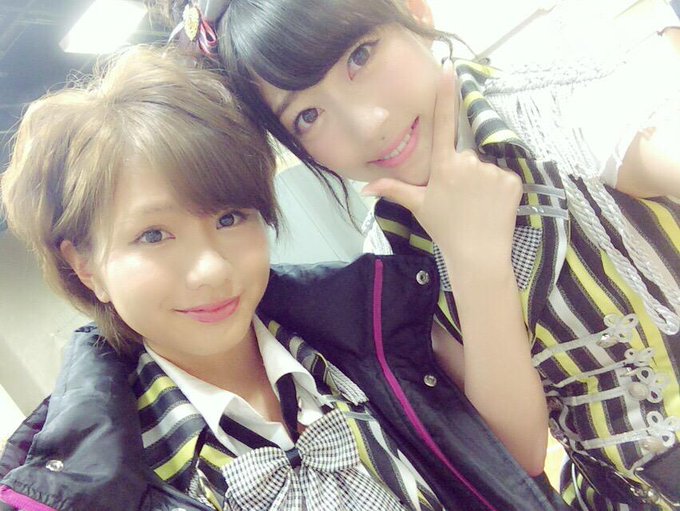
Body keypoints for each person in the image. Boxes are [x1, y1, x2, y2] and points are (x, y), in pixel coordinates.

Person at [151, 0, 680, 509]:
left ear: (412, 9)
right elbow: (517, 451)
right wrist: (475, 264)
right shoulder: (390, 263)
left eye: (360, 55)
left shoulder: (563, 108)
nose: (368, 125)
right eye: (308, 115)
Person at [0, 46, 568, 511]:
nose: (211, 269)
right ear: (87, 267)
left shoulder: (368, 323)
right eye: (153, 235)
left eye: (230, 218)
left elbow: (514, 457)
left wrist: (473, 256)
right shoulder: (85, 489)